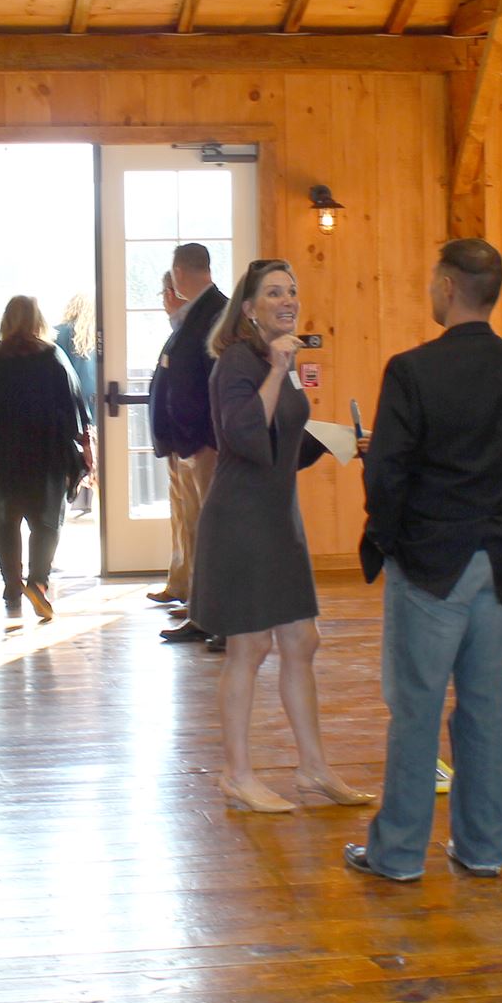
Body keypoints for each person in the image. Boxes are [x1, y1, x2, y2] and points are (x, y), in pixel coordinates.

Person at [345, 238, 502, 882]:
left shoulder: (412, 371)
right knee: (484, 703)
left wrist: (391, 540)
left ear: (445, 287)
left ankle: (400, 853)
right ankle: (483, 846)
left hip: (430, 560)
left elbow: (387, 474)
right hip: (499, 559)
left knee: (415, 708)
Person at [193, 258, 373, 813]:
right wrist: (276, 369)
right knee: (250, 645)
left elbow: (281, 442)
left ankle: (314, 769)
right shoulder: (238, 363)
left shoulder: (282, 357)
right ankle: (236, 773)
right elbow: (246, 437)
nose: (288, 299)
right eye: (274, 292)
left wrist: (339, 441)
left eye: (292, 290)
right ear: (248, 308)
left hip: (278, 515)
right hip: (242, 519)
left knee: (302, 641)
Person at [0, 294, 88, 624]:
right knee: (46, 522)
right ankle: (38, 582)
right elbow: (74, 410)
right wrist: (84, 449)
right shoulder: (53, 357)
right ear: (38, 321)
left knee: (4, 521)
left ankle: (11, 586)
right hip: (45, 454)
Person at [148, 245, 226, 638]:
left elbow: (218, 383)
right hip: (188, 440)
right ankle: (200, 608)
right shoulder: (198, 312)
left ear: (179, 272)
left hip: (204, 442)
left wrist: (205, 440)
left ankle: (212, 614)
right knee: (194, 525)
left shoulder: (216, 313)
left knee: (208, 528)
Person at [53, 294, 100, 516]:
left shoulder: (57, 334)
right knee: (98, 462)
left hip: (67, 408)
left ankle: (71, 498)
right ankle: (101, 505)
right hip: (95, 406)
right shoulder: (96, 334)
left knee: (69, 458)